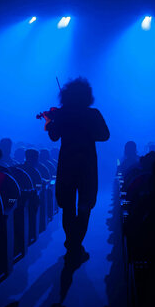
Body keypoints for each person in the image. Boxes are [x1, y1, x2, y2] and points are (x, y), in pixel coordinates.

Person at [42, 77, 110, 261]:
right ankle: (76, 243)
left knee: (68, 207)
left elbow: (54, 136)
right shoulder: (93, 114)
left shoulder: (63, 114)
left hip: (67, 165)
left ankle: (72, 243)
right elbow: (105, 135)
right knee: (85, 205)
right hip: (87, 165)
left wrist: (49, 121)